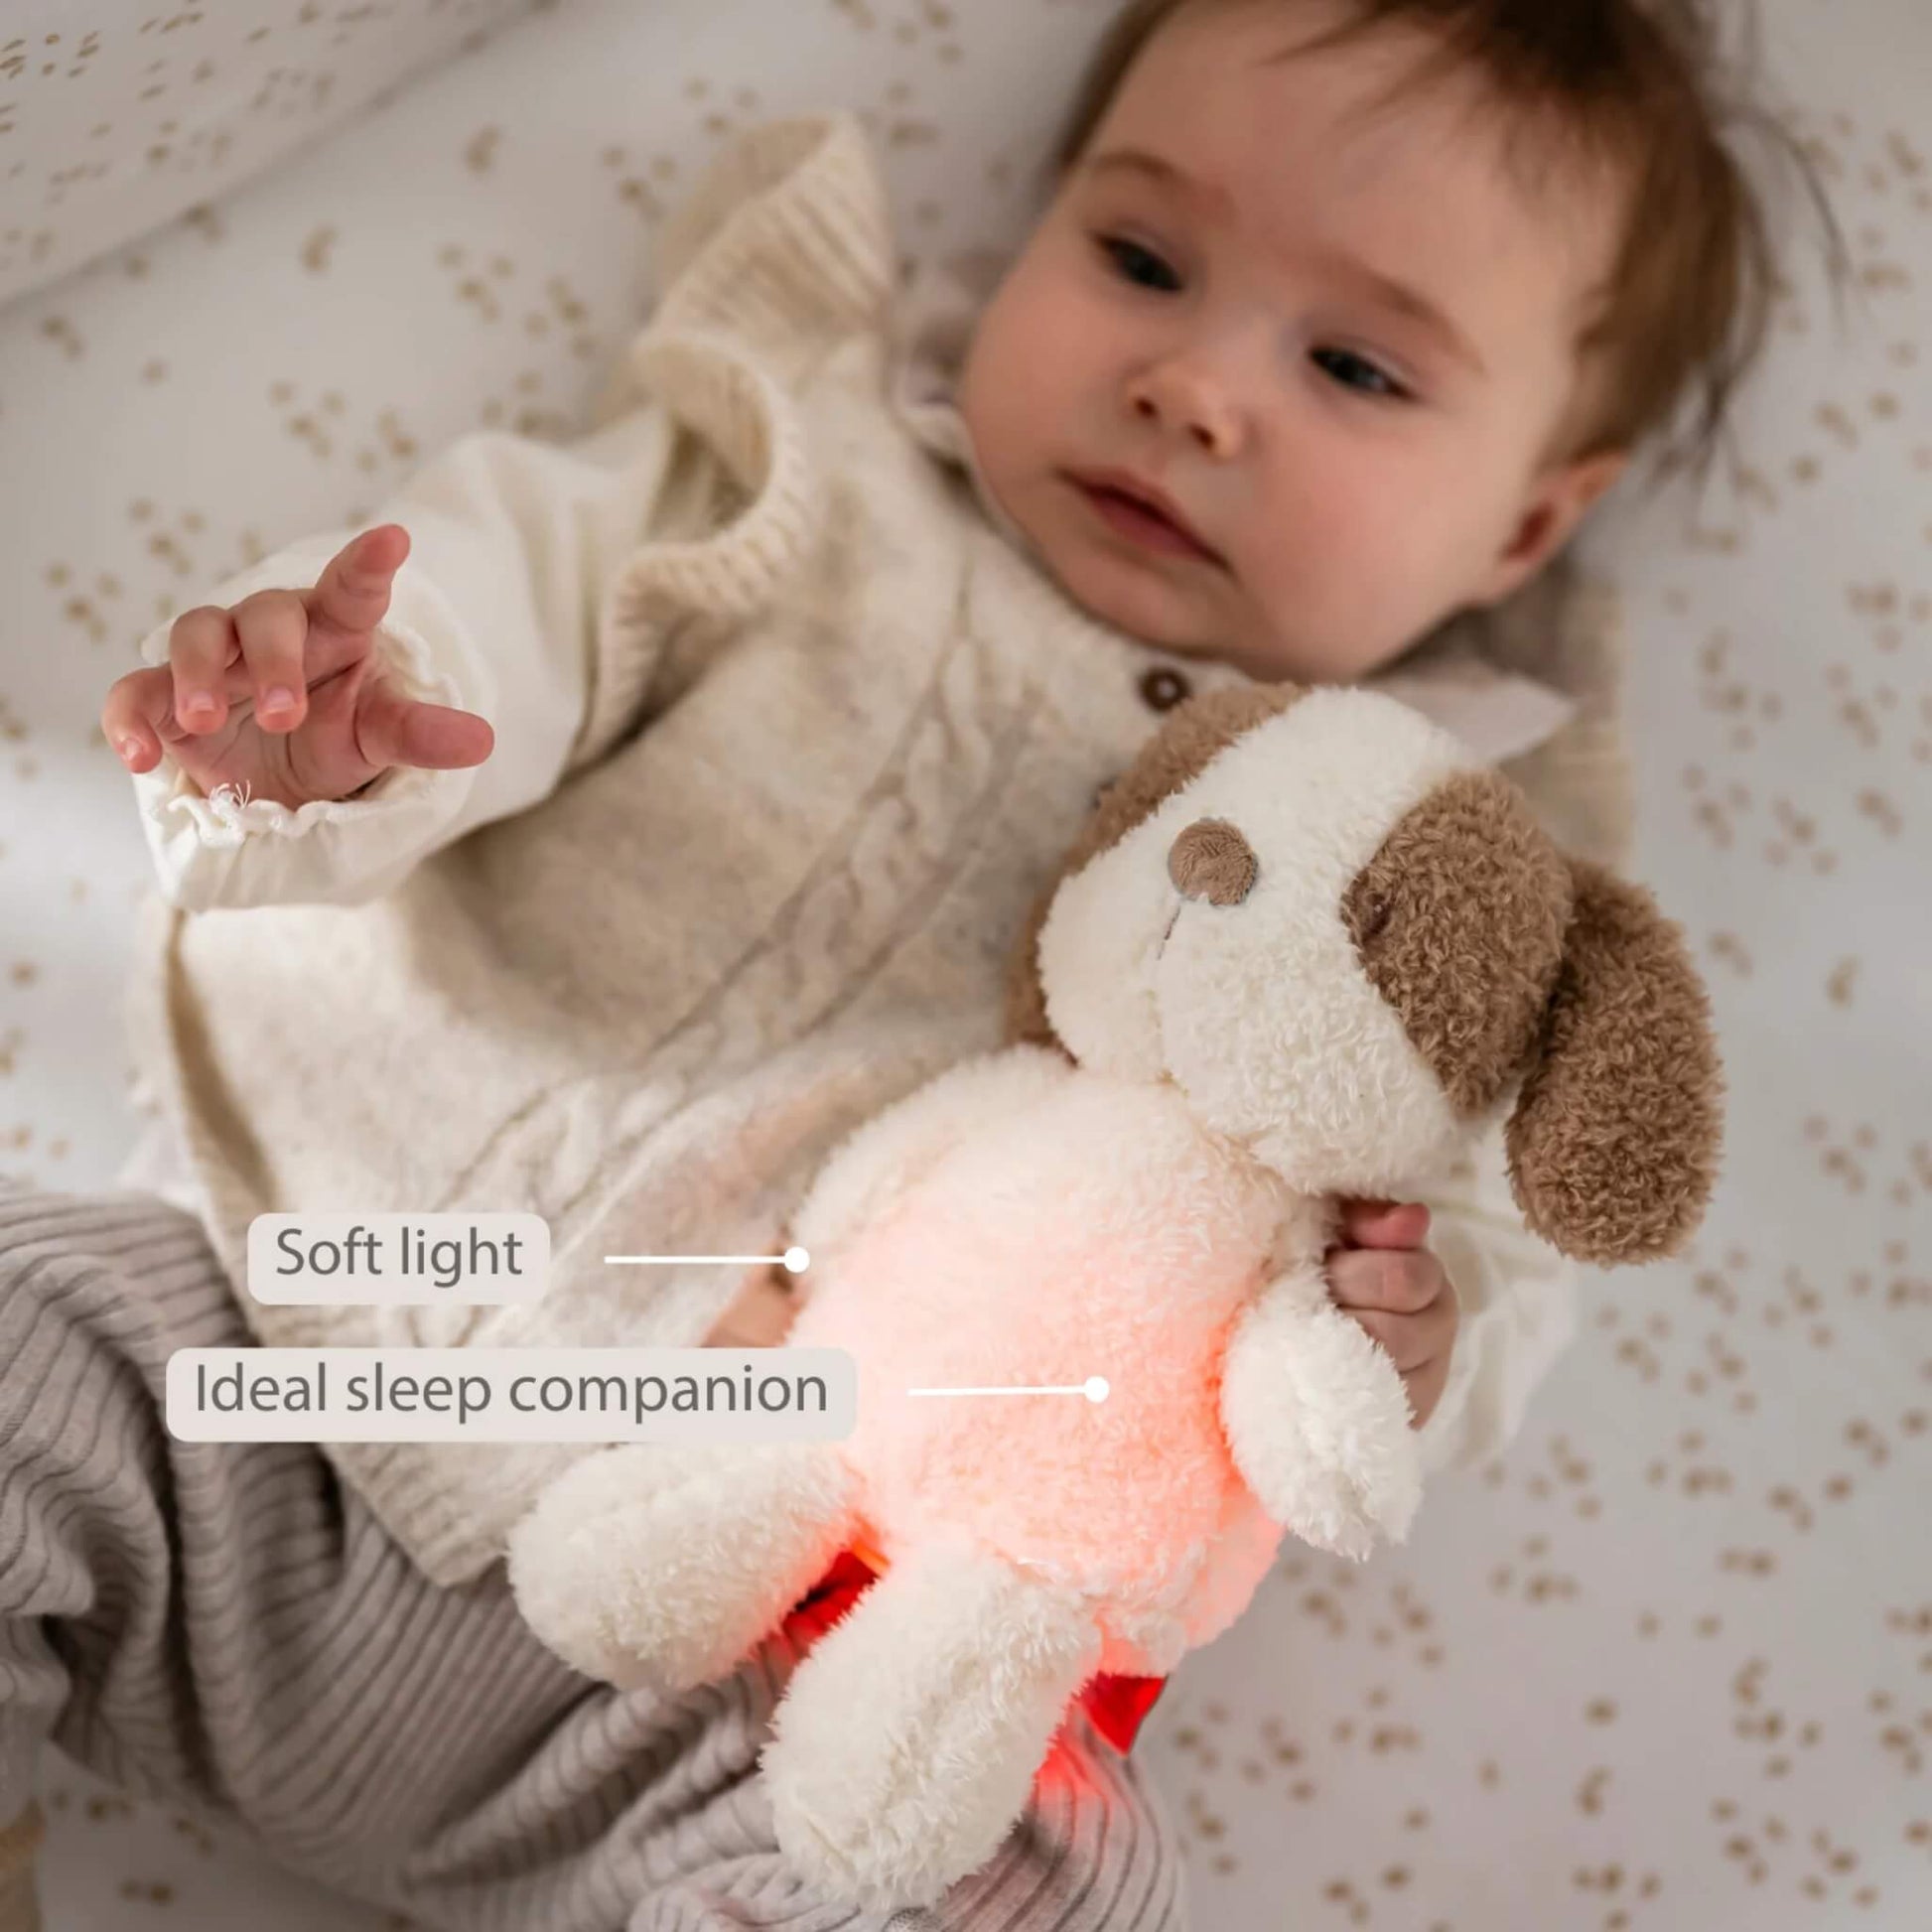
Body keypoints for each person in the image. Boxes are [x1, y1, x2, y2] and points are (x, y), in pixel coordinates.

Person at [3, 2, 1837, 1927]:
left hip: (796, 1654)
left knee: (1045, 1876)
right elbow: (522, 611)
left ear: (1529, 517)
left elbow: (1495, 1249)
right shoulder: (812, 486)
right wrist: (343, 727)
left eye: (1356, 366)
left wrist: (1409, 1332)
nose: (1194, 386)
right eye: (1138, 259)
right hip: (314, 1338)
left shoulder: (1437, 874)